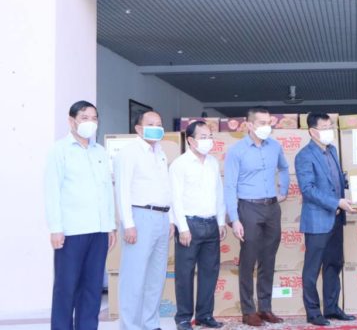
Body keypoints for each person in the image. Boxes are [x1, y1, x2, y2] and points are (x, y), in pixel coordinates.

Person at [44, 100, 117, 330]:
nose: (90, 122)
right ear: (71, 121)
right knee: (66, 287)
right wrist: (55, 228)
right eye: (85, 118)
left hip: (98, 231)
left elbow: (107, 191)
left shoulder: (100, 152)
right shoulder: (59, 150)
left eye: (94, 118)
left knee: (92, 288)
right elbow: (52, 191)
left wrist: (110, 226)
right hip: (71, 231)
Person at [224, 107, 289, 327]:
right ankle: (248, 311)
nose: (267, 127)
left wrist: (283, 190)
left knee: (268, 259)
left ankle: (265, 308)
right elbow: (229, 186)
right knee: (248, 259)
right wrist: (234, 219)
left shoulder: (275, 146)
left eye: (269, 122)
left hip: (272, 207)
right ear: (249, 125)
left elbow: (284, 168)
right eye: (262, 123)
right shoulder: (237, 151)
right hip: (248, 208)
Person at [295, 113, 357, 326]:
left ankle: (331, 308)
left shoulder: (332, 150)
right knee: (312, 268)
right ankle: (313, 312)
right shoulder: (304, 156)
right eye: (325, 127)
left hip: (336, 219)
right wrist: (336, 202)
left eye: (331, 126)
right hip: (318, 220)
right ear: (312, 131)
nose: (329, 131)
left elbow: (337, 180)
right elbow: (308, 189)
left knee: (334, 264)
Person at [115, 110, 174, 330]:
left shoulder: (160, 153)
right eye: (151, 124)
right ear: (139, 129)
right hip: (139, 217)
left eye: (159, 124)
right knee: (134, 276)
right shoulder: (129, 153)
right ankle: (130, 325)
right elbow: (122, 191)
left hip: (162, 217)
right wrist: (128, 224)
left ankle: (150, 323)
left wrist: (170, 218)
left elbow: (166, 188)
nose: (157, 128)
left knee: (156, 276)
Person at [170, 121, 226, 330]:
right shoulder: (180, 164)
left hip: (211, 223)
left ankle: (205, 315)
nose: (208, 141)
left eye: (210, 136)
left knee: (209, 272)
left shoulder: (213, 162)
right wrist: (182, 228)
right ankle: (183, 318)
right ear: (191, 140)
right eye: (203, 137)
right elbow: (175, 198)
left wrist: (221, 221)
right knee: (184, 274)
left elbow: (218, 193)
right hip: (190, 225)